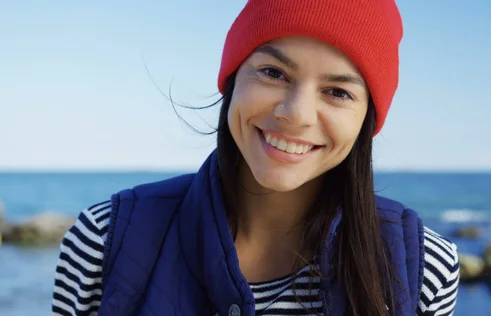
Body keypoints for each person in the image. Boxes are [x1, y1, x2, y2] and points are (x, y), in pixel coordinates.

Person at [51, 0, 459, 315]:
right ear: (233, 77)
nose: (295, 114)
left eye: (338, 92)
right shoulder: (104, 239)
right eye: (273, 73)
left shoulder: (423, 268)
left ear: (366, 118)